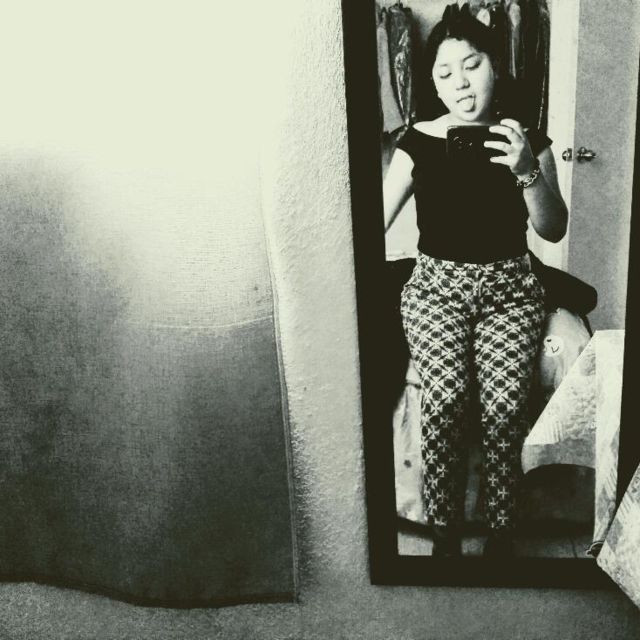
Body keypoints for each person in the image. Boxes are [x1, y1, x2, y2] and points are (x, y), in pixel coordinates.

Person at [383, 3, 568, 557]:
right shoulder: (416, 141)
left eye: (471, 65)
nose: (459, 82)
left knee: (505, 405)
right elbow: (372, 222)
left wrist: (525, 170)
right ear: (433, 83)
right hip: (434, 292)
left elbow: (553, 228)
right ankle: (444, 534)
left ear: (494, 67)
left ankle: (501, 533)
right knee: (445, 397)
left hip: (510, 295)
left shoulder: (527, 140)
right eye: (444, 73)